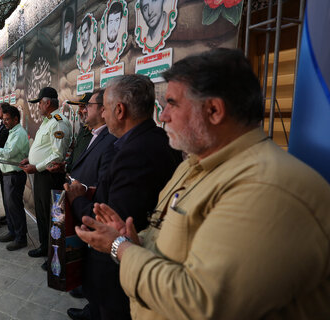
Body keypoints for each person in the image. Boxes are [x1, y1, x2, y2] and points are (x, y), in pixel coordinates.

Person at [75, 48, 330, 320]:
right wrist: (133, 239)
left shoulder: (268, 187)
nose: (162, 116)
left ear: (213, 110)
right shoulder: (194, 165)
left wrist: (120, 247)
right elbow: (166, 238)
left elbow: (201, 304)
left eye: (172, 104)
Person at [65, 75, 182, 320]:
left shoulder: (134, 153)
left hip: (119, 278)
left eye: (105, 109)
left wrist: (77, 200)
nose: (103, 116)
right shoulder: (158, 139)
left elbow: (113, 223)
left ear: (119, 110)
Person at [65, 89, 118, 320]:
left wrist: (84, 191)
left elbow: (104, 179)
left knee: (97, 264)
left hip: (93, 207)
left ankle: (93, 310)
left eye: (90, 106)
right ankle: (87, 295)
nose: (84, 110)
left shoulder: (111, 139)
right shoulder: (93, 134)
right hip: (80, 202)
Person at [20, 87, 71, 270]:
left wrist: (37, 166)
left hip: (50, 176)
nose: (38, 107)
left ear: (47, 102)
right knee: (41, 213)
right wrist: (30, 159)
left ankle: (54, 254)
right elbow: (44, 149)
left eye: (39, 103)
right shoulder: (48, 120)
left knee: (51, 216)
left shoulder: (58, 122)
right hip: (40, 174)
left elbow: (57, 155)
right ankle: (44, 247)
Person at [0, 105, 30, 251]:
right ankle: (12, 232)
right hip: (7, 174)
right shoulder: (12, 131)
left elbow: (10, 152)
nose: (4, 122)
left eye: (7, 119)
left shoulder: (19, 133)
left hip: (15, 175)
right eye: (3, 119)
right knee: (9, 207)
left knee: (15, 208)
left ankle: (21, 238)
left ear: (16, 119)